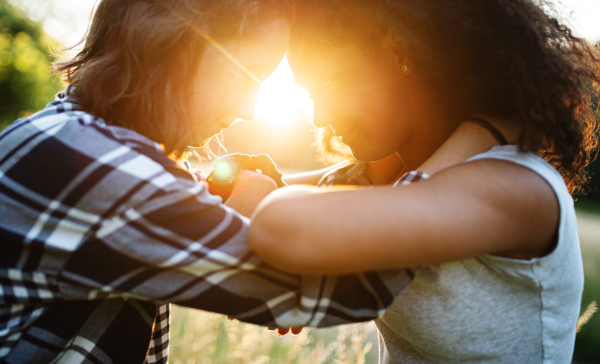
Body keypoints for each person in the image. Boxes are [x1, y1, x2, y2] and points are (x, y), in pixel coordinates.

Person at [0, 0, 423, 363]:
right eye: (249, 72)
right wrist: (459, 165)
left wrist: (211, 191)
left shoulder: (64, 138)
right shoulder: (104, 174)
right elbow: (340, 292)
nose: (250, 109)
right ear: (175, 45)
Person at [248, 0, 600, 363]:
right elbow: (271, 197)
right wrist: (255, 178)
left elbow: (281, 223)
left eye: (327, 81)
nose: (319, 117)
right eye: (309, 95)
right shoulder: (391, 174)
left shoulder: (519, 188)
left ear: (398, 46)